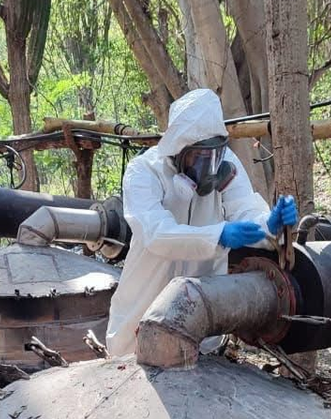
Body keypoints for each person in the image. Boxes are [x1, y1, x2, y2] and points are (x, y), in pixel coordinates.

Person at [105, 89, 298, 357]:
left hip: (201, 320)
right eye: (199, 157)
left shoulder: (227, 165)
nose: (209, 168)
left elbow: (247, 211)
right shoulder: (145, 171)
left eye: (214, 156)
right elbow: (157, 234)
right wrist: (219, 236)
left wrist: (271, 224)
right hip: (141, 311)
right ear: (178, 151)